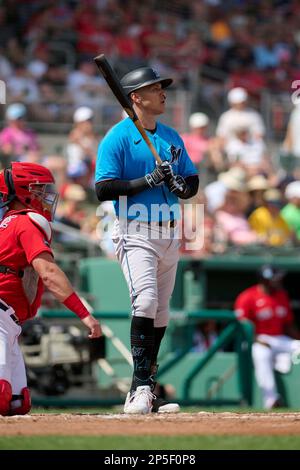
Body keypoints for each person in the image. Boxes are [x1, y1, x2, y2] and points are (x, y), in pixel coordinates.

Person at [95, 66, 199, 414]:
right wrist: (147, 180)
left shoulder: (170, 136)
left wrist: (180, 186)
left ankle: (148, 387)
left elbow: (191, 179)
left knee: (162, 311)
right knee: (146, 301)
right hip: (135, 230)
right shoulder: (118, 137)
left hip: (170, 231)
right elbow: (103, 188)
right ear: (135, 97)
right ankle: (138, 386)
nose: (163, 93)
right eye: (155, 88)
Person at [0, 162, 102, 416]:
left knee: (17, 402)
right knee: (2, 397)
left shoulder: (11, 223)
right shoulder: (24, 223)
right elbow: (49, 273)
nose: (44, 196)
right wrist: (85, 315)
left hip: (9, 322)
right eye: (38, 190)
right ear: (23, 192)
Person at [234, 265, 300, 409]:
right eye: (275, 279)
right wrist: (257, 340)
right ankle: (271, 400)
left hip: (280, 339)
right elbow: (243, 326)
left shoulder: (281, 295)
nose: (279, 281)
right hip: (259, 339)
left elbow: (289, 324)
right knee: (260, 353)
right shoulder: (247, 296)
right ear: (265, 280)